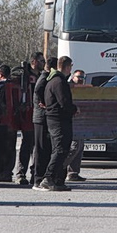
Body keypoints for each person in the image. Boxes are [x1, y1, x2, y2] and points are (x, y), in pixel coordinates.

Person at [34, 56, 78, 192]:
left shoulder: (52, 80)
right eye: (71, 66)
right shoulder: (59, 81)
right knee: (60, 149)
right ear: (67, 66)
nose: (71, 69)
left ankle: (57, 180)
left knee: (59, 149)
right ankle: (48, 178)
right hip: (58, 120)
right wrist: (74, 109)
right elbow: (64, 102)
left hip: (53, 119)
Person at [12, 52, 43, 185]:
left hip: (38, 113)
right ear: (34, 61)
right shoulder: (23, 76)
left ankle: (35, 173)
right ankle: (21, 174)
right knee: (27, 144)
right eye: (41, 61)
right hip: (27, 113)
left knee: (38, 147)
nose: (43, 63)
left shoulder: (42, 76)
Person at [30, 55, 53, 187]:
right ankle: (37, 178)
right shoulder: (44, 77)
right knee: (39, 148)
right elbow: (38, 91)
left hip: (43, 117)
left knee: (44, 148)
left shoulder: (45, 77)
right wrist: (42, 102)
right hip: (40, 118)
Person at [65, 69, 87, 182]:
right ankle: (61, 167)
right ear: (73, 77)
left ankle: (73, 173)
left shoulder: (84, 90)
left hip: (81, 122)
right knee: (74, 146)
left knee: (80, 147)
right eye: (79, 77)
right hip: (71, 121)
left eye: (83, 78)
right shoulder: (69, 88)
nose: (81, 80)